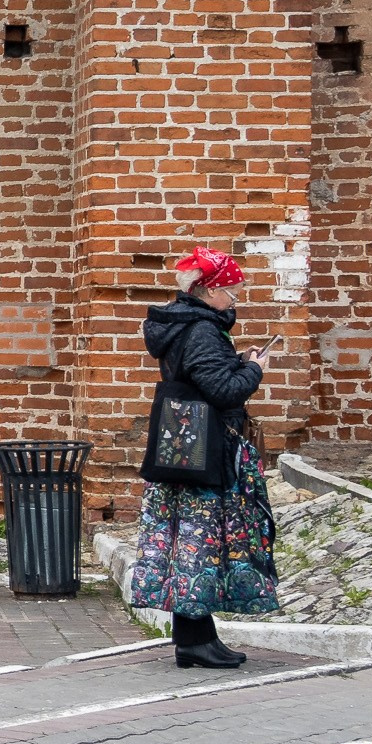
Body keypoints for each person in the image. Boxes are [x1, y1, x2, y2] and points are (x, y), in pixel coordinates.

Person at [131, 246, 281, 668]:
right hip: (206, 452)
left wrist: (238, 361)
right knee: (199, 542)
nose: (236, 298)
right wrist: (255, 369)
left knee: (191, 542)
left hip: (186, 448)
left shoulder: (185, 324)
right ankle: (195, 641)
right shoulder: (201, 329)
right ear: (210, 291)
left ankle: (196, 638)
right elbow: (223, 391)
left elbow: (202, 376)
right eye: (232, 291)